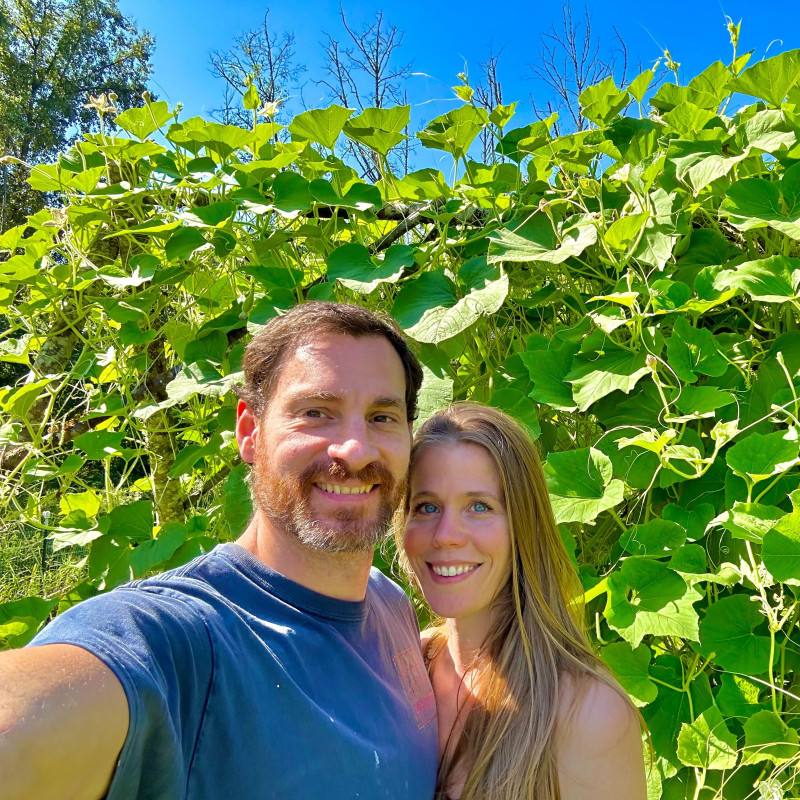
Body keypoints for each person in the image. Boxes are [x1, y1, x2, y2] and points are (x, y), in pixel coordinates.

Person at [0, 301, 438, 800]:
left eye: (382, 416)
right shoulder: (182, 642)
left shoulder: (390, 606)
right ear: (249, 433)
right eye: (316, 413)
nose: (355, 450)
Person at [400, 402, 647, 800]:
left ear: (524, 525)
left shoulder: (587, 714)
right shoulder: (410, 666)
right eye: (427, 507)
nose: (445, 535)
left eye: (479, 507)